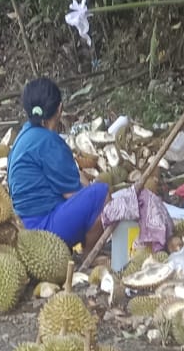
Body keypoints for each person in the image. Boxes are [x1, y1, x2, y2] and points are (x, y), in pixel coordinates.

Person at [6, 77, 109, 250]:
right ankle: (89, 258)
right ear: (60, 109)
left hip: (23, 227)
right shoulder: (49, 142)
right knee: (102, 194)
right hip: (44, 230)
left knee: (91, 193)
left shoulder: (23, 136)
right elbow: (72, 194)